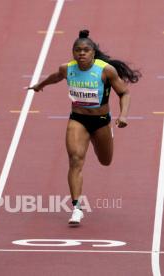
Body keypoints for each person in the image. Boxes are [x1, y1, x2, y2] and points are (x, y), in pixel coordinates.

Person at [28, 30, 141, 225]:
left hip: (102, 121)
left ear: (93, 53)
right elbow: (55, 77)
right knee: (75, 160)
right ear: (73, 52)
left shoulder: (106, 70)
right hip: (78, 119)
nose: (81, 53)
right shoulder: (67, 69)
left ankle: (104, 137)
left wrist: (123, 116)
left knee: (106, 160)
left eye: (86, 50)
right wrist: (40, 85)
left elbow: (124, 93)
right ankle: (76, 208)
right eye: (78, 50)